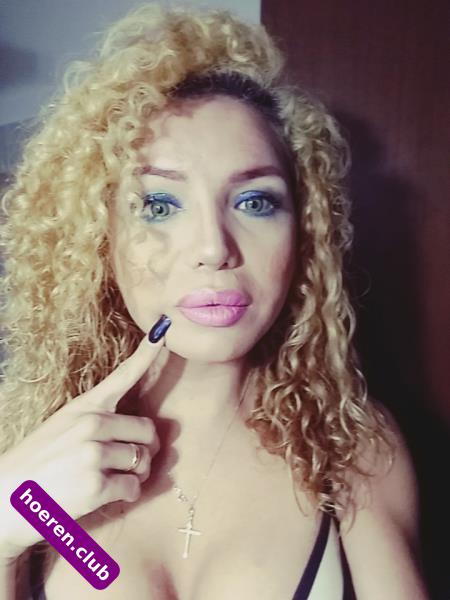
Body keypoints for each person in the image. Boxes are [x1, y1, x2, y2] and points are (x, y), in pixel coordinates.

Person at [0, 3, 429, 599]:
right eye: (158, 205)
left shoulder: (350, 448)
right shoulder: (20, 441)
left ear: (304, 233)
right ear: (99, 236)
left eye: (254, 202)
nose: (213, 248)